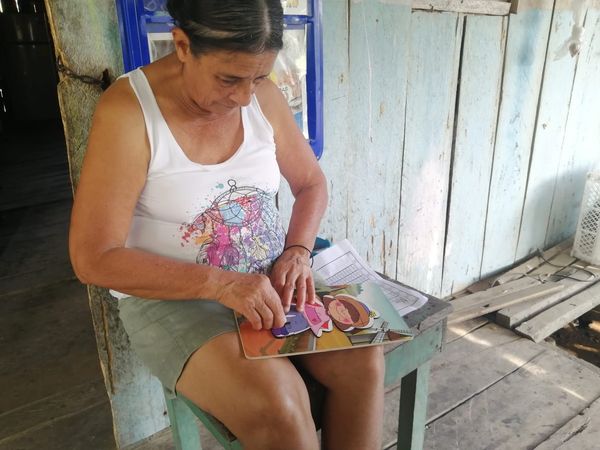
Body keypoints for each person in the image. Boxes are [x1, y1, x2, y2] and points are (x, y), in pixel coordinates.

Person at [69, 1, 384, 449]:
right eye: (229, 79)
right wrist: (220, 284)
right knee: (279, 405)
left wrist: (297, 251)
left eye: (258, 78)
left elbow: (311, 182)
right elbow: (93, 259)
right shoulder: (129, 111)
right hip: (174, 298)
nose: (244, 98)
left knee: (364, 361)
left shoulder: (263, 97)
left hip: (269, 280)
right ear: (182, 46)